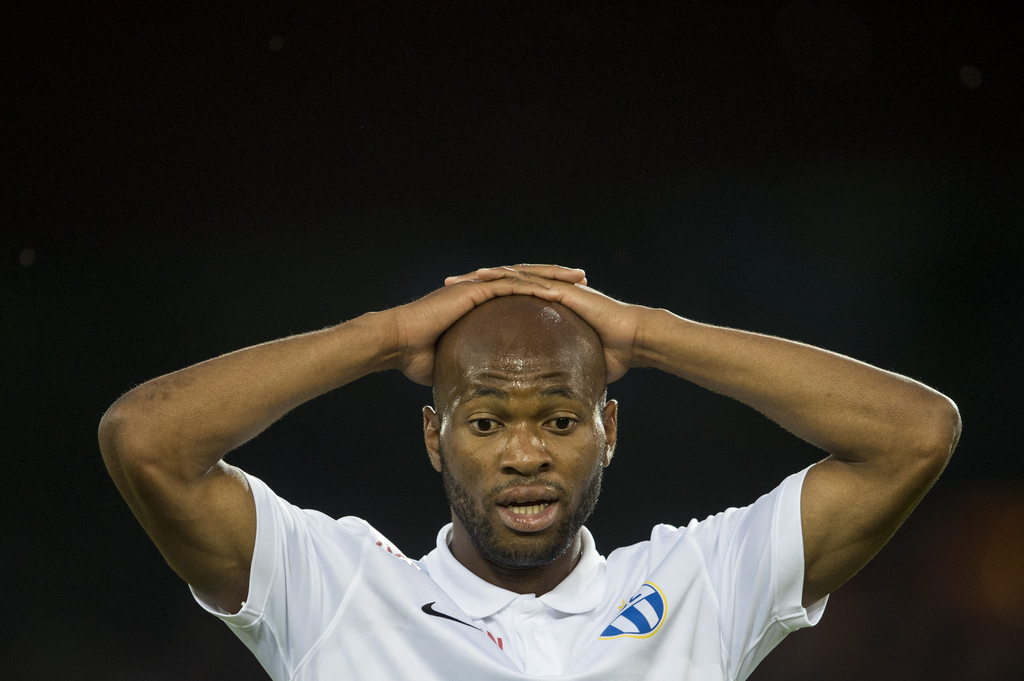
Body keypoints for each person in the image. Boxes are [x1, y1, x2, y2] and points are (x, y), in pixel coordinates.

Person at [99, 264, 961, 679]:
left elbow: (914, 432)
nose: (524, 453)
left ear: (608, 428)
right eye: (485, 422)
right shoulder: (333, 588)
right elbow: (146, 440)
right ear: (434, 436)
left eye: (558, 418)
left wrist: (645, 334)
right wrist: (389, 335)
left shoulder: (700, 583)